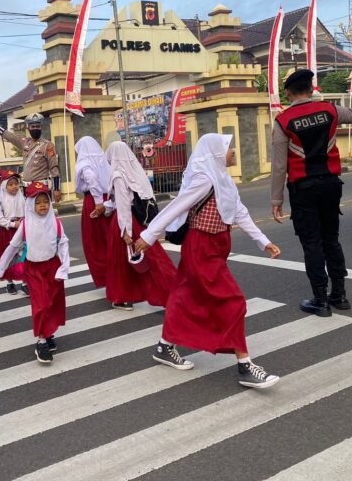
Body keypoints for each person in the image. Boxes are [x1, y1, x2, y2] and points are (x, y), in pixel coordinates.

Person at [135, 134, 282, 389]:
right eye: (228, 148)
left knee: (185, 296)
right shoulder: (205, 179)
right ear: (215, 153)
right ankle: (245, 365)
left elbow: (239, 213)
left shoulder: (224, 180)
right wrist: (149, 235)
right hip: (201, 248)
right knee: (233, 301)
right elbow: (177, 207)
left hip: (216, 247)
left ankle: (164, 346)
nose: (233, 152)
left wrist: (263, 241)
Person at [271, 68, 352, 316]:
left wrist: (276, 199)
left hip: (303, 188)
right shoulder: (330, 110)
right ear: (311, 89)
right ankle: (340, 295)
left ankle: (320, 300)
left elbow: (280, 165)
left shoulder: (283, 121)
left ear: (289, 92)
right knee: (331, 240)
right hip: (330, 184)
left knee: (312, 243)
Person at [0, 181, 69, 364]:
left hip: (52, 267)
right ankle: (41, 341)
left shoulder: (55, 222)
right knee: (41, 304)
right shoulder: (26, 225)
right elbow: (13, 246)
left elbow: (63, 244)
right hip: (34, 270)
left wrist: (64, 267)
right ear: (30, 205)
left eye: (45, 201)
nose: (42, 205)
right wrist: (1, 267)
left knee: (52, 303)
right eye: (38, 202)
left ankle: (48, 333)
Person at [104, 141, 177, 310]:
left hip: (125, 222)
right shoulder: (135, 170)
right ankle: (175, 290)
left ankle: (122, 297)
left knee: (121, 262)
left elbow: (123, 205)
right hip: (139, 220)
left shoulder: (117, 174)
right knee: (152, 257)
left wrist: (125, 232)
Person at [0, 113, 62, 202]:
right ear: (28, 128)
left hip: (41, 187)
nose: (35, 129)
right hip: (27, 188)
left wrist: (56, 188)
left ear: (41, 128)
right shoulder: (25, 142)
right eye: (33, 127)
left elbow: (54, 168)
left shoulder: (48, 145)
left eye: (37, 126)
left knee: (42, 213)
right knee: (28, 213)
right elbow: (9, 136)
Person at [74, 136, 112, 288]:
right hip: (108, 199)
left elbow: (92, 181)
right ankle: (114, 274)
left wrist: (98, 202)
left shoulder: (84, 164)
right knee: (108, 238)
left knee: (94, 242)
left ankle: (106, 276)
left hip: (94, 201)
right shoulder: (104, 161)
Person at [0, 170, 27, 295]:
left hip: (21, 230)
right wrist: (13, 224)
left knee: (23, 256)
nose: (14, 186)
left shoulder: (22, 198)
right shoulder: (0, 200)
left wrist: (23, 223)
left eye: (16, 183)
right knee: (8, 257)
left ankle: (25, 282)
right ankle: (10, 282)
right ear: (5, 186)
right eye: (10, 184)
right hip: (7, 232)